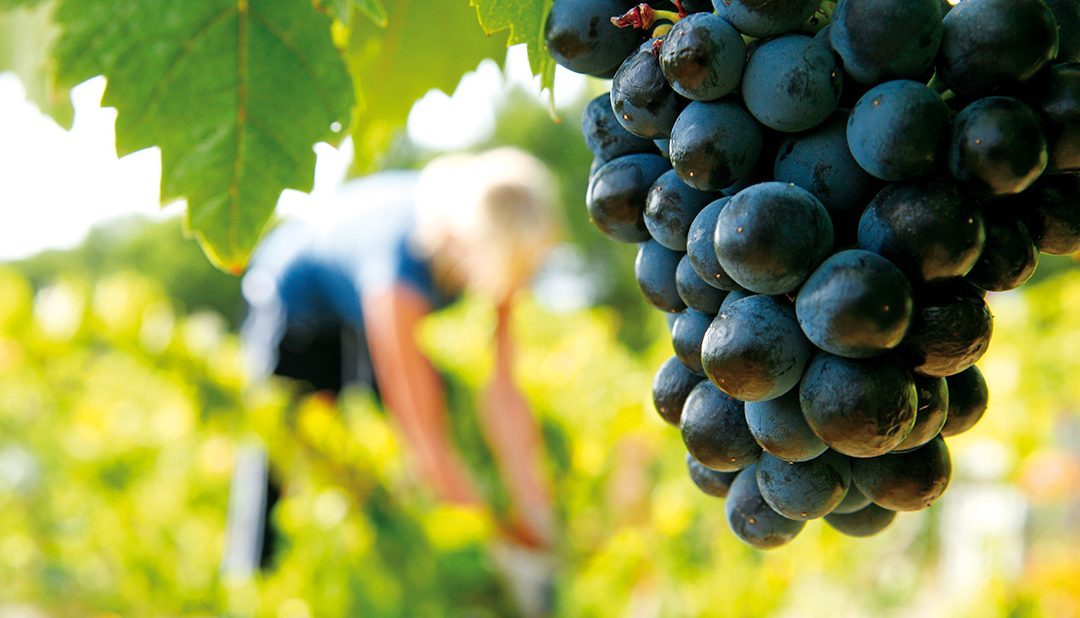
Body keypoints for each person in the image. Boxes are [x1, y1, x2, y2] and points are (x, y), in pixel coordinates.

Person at [223, 148, 562, 605]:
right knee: (277, 462)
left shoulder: (493, 249)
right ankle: (247, 592)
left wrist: (533, 508)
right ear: (472, 248)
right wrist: (491, 539)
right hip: (292, 305)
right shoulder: (398, 270)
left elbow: (503, 393)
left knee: (388, 456)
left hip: (352, 308)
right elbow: (423, 433)